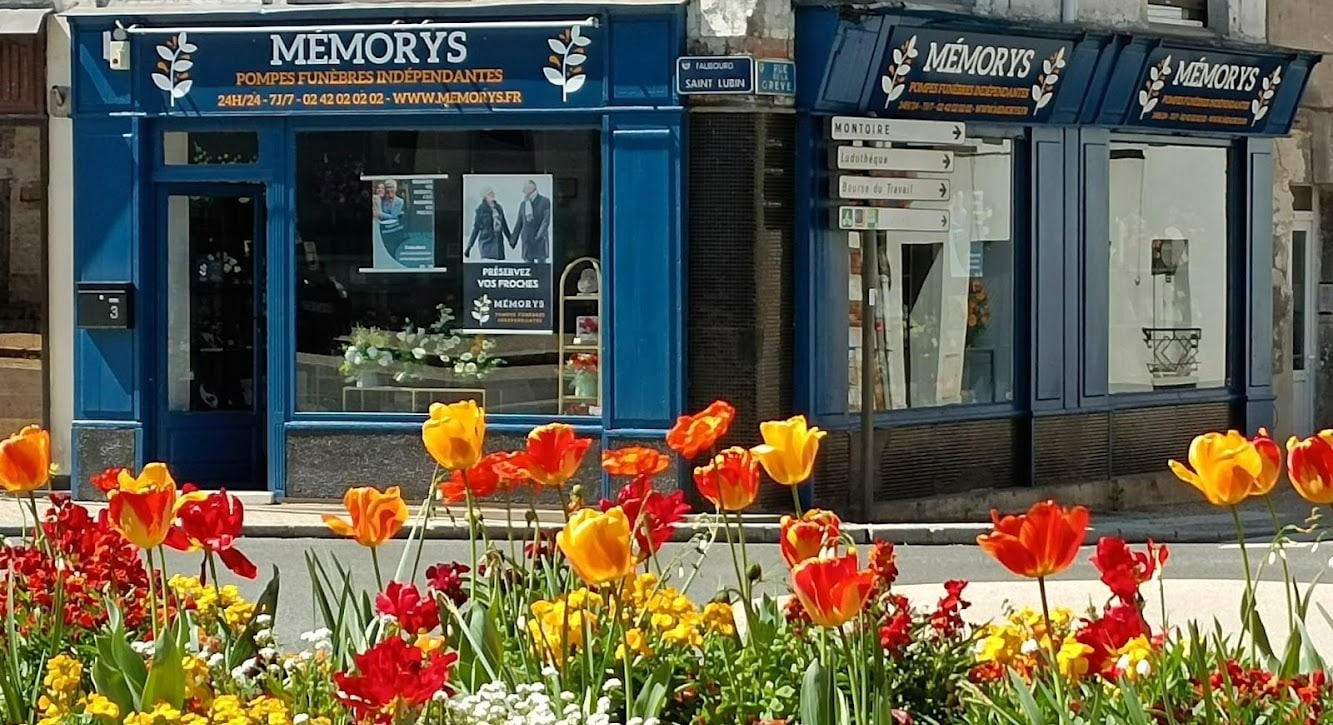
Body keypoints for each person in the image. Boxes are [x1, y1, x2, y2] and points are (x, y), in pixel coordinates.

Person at [510, 179, 551, 263]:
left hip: (540, 240)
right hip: (527, 240)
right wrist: (513, 241)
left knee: (542, 269)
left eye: (525, 188)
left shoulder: (545, 201)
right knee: (528, 269)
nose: (523, 191)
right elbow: (519, 223)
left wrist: (539, 235)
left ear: (532, 188)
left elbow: (546, 221)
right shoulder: (523, 204)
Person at [465, 187, 512, 261]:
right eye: (489, 194)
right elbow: (476, 229)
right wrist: (469, 247)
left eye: (492, 193)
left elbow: (504, 225)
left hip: (498, 244)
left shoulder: (498, 208)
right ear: (485, 196)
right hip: (486, 243)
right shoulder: (481, 209)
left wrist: (511, 240)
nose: (492, 195)